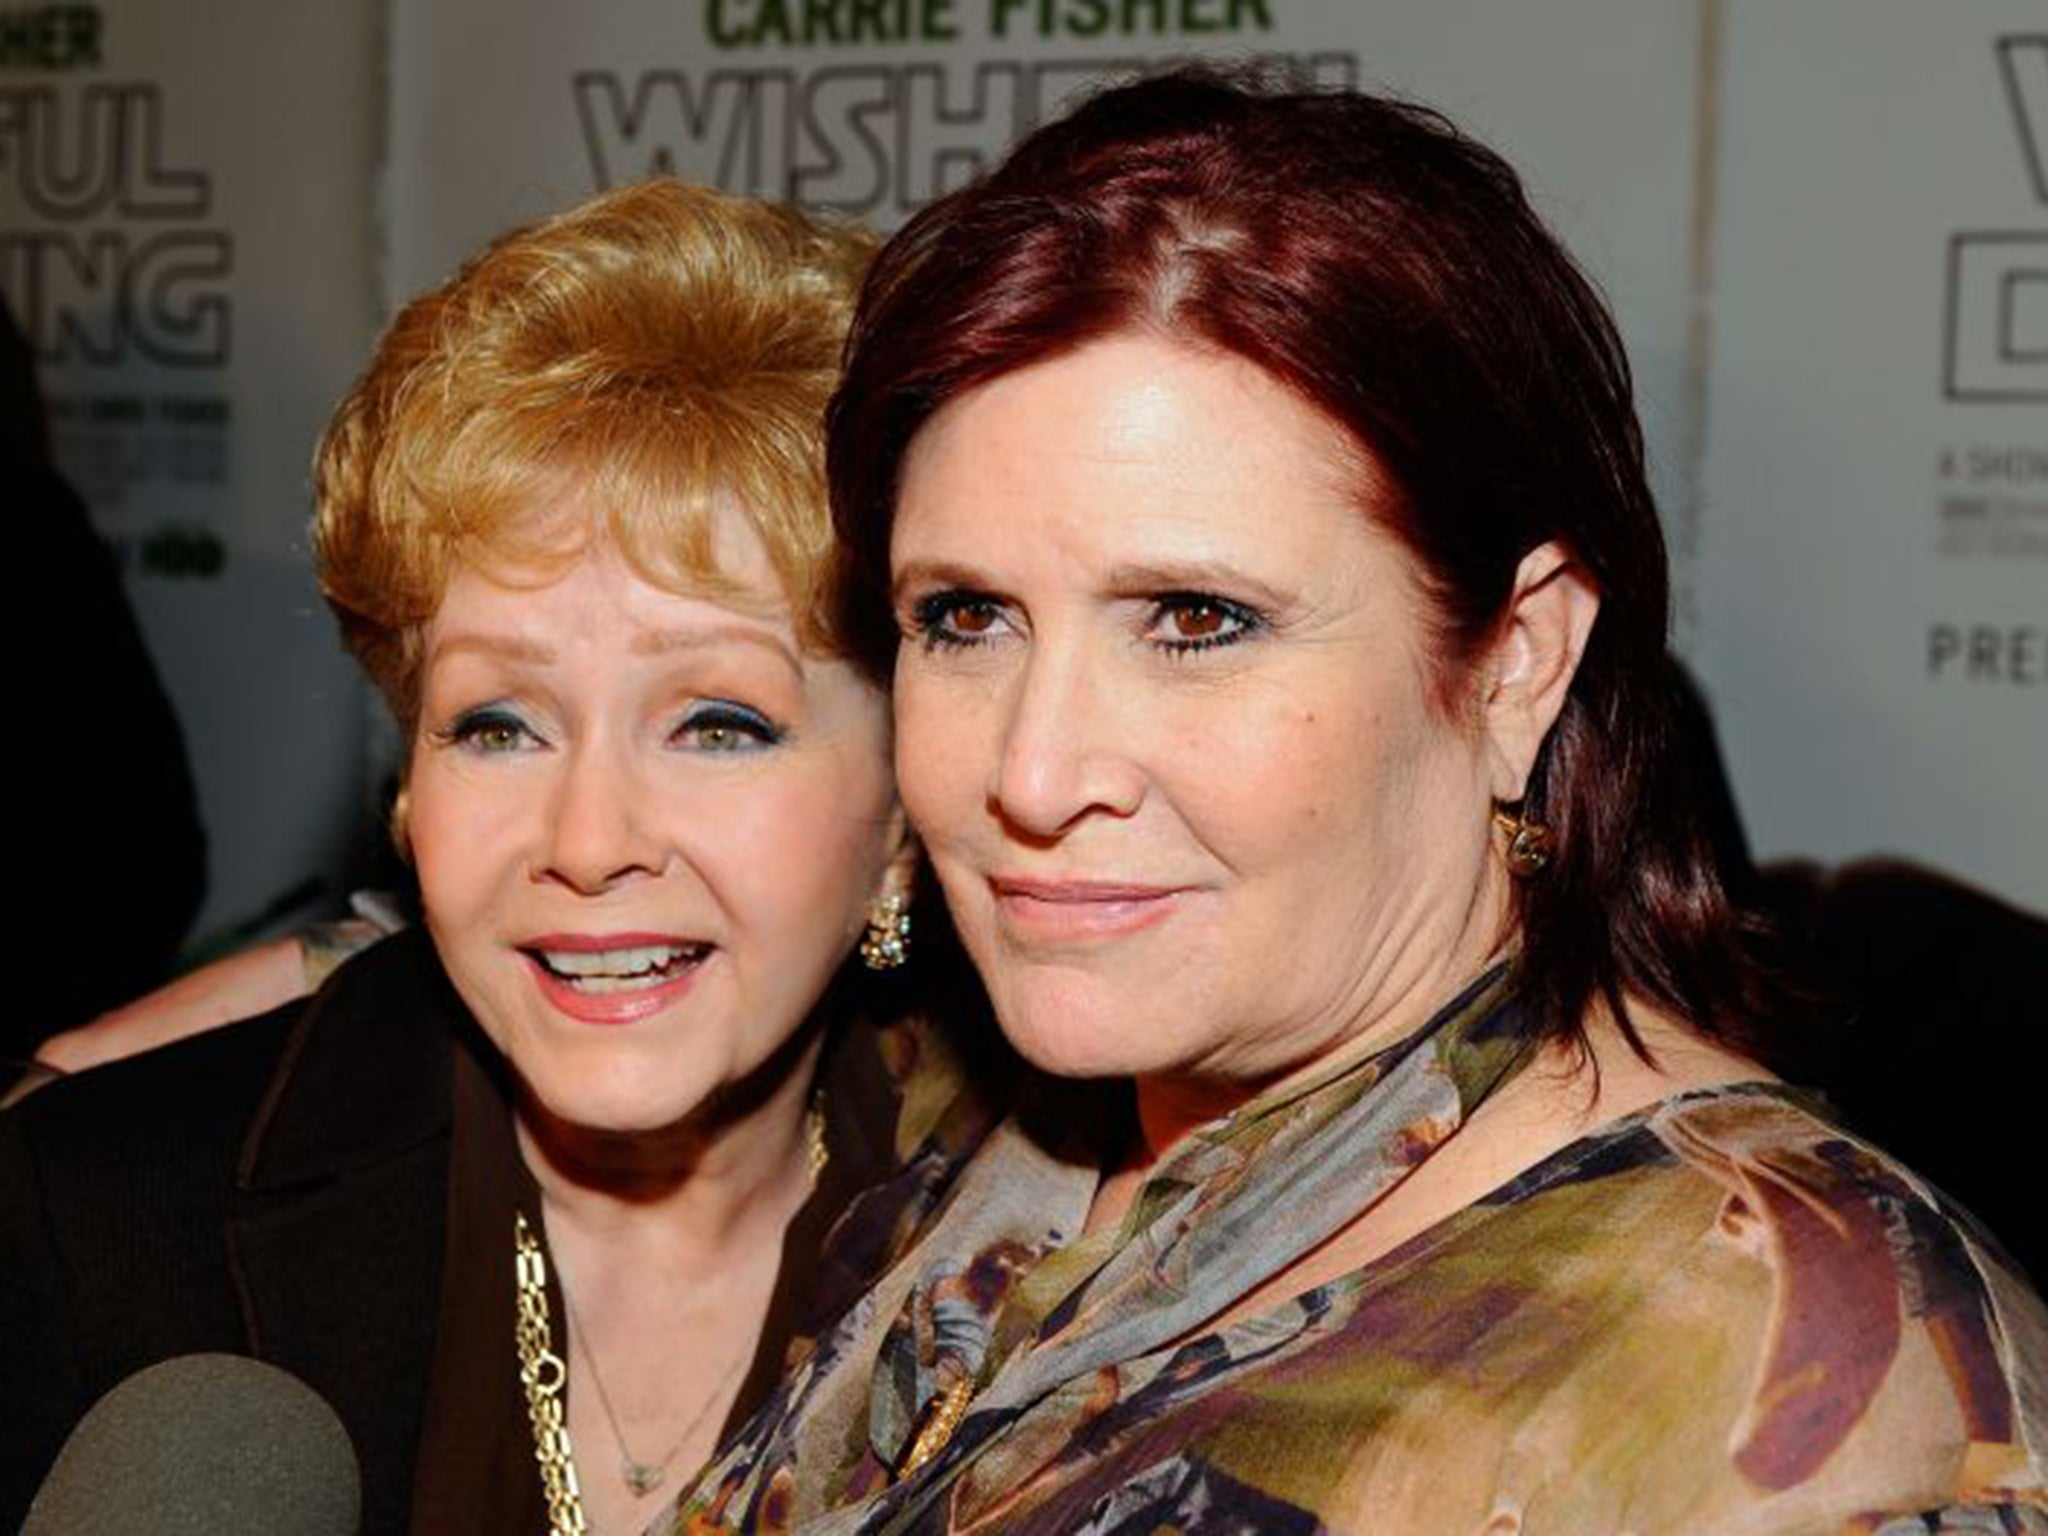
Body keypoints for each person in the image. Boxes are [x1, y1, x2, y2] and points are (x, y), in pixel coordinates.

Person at [675, 68, 2048, 1533]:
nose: (1031, 772)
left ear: (1517, 660)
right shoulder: (1005, 1125)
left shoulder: (1800, 1376)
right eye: (964, 619)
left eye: (1197, 621)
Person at [0, 179, 942, 1536]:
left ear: (910, 801)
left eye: (719, 726)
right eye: (499, 726)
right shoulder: (96, 1226)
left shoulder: (1075, 1228)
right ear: (408, 788)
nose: (587, 841)